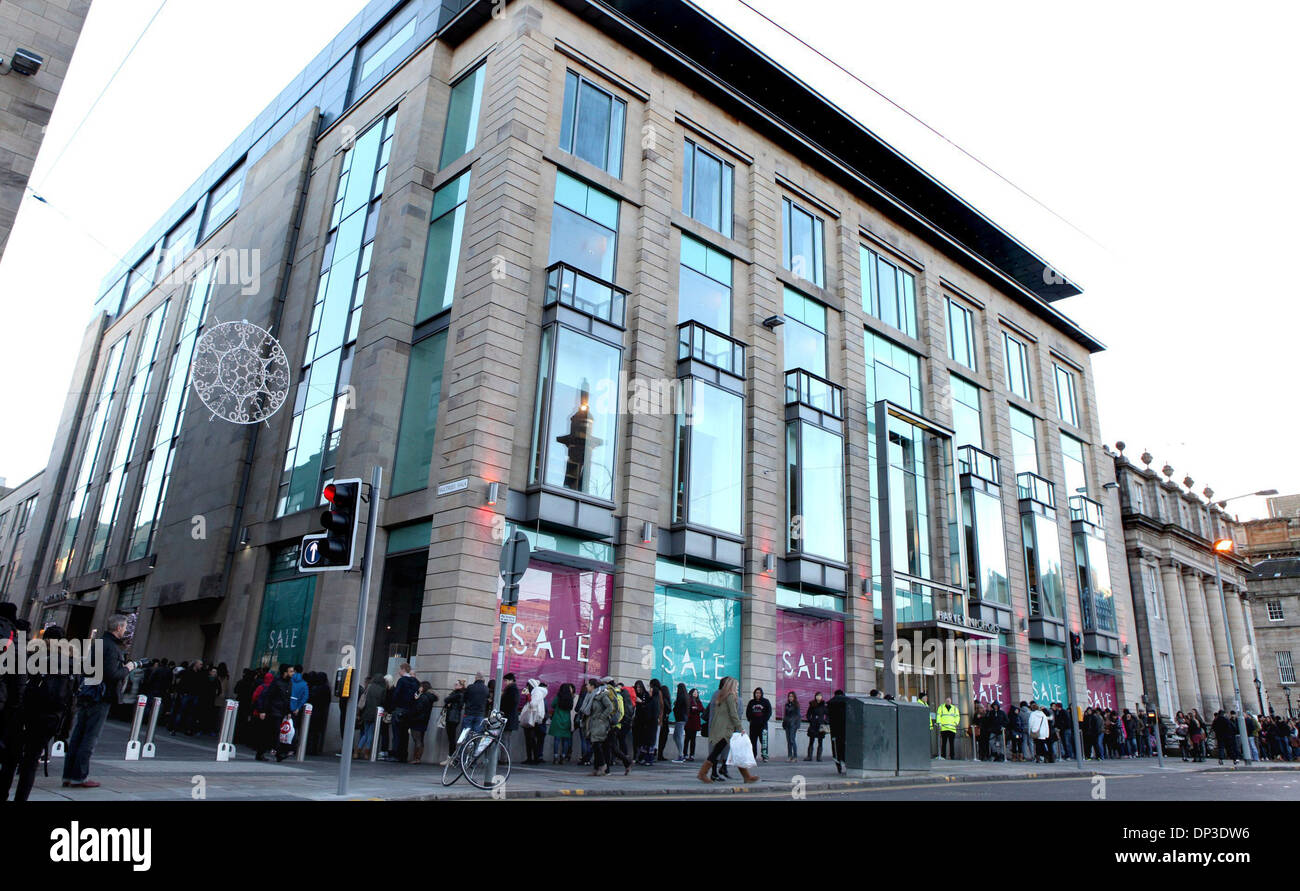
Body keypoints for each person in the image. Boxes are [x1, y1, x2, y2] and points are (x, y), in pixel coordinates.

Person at [1, 624, 77, 801]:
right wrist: (64, 731)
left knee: (11, 760)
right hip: (50, 719)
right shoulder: (72, 663)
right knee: (31, 762)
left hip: (23, 715)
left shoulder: (31, 656)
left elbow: (17, 686)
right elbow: (72, 700)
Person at [62, 614, 136, 789]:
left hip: (89, 693)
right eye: (124, 627)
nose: (125, 630)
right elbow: (112, 674)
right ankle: (79, 776)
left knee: (79, 735)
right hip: (100, 696)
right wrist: (128, 668)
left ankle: (69, 775)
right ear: (118, 628)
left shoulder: (100, 643)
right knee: (89, 737)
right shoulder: (111, 647)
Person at [698, 677, 757, 784]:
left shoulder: (721, 696)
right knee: (718, 752)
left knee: (733, 751)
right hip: (725, 730)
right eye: (737, 686)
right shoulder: (730, 696)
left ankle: (747, 776)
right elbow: (733, 714)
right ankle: (702, 774)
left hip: (719, 728)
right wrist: (740, 728)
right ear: (732, 686)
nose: (737, 688)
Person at [253, 665, 294, 762]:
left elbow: (287, 699)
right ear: (285, 672)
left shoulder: (289, 683)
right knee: (274, 732)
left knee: (270, 733)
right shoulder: (276, 683)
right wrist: (262, 710)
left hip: (281, 711)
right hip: (273, 711)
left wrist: (288, 711)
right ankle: (278, 753)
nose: (293, 673)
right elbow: (268, 696)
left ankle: (261, 752)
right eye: (291, 671)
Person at [356, 673, 387, 760]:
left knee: (365, 733)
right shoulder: (382, 689)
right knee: (370, 734)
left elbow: (363, 700)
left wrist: (359, 713)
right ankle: (367, 752)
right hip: (375, 714)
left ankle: (357, 751)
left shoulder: (369, 687)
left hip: (366, 713)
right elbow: (383, 702)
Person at [519, 678, 548, 765]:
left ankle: (534, 758)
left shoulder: (536, 692)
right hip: (530, 719)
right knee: (529, 740)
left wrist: (528, 695)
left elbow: (532, 704)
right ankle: (530, 758)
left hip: (533, 720)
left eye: (527, 686)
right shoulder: (534, 692)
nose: (526, 687)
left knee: (531, 740)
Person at [408, 681, 438, 764]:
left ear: (423, 687)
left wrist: (416, 700)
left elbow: (418, 709)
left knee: (417, 739)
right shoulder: (429, 697)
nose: (419, 688)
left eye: (420, 687)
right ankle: (418, 758)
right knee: (420, 739)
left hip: (417, 720)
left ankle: (416, 758)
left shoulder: (423, 697)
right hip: (424, 720)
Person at [632, 679, 658, 765]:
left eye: (651, 690)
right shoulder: (651, 699)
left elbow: (650, 712)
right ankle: (643, 758)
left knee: (649, 742)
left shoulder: (653, 700)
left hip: (649, 723)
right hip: (646, 723)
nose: (649, 692)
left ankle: (648, 759)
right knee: (645, 742)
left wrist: (641, 703)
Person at [307, 671, 331, 756]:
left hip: (313, 711)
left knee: (311, 731)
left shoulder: (315, 688)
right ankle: (314, 749)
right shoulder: (326, 688)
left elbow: (310, 698)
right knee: (317, 732)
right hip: (321, 712)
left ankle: (309, 748)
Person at [548, 682, 574, 763]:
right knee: (565, 740)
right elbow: (571, 708)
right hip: (566, 720)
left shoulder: (558, 697)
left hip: (557, 719)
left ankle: (555, 756)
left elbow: (552, 705)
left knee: (557, 739)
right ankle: (563, 756)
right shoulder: (570, 698)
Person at [441, 678, 465, 764]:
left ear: (461, 686)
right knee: (451, 738)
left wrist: (449, 702)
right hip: (453, 717)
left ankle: (451, 758)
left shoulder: (458, 694)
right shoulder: (458, 694)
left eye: (456, 684)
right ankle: (451, 757)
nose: (455, 686)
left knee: (451, 738)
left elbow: (446, 699)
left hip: (453, 717)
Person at [745, 687, 772, 762]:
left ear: (761, 694)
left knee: (764, 741)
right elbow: (748, 712)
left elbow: (769, 712)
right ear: (754, 693)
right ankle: (753, 756)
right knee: (753, 741)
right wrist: (750, 719)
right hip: (753, 725)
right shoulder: (751, 702)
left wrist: (764, 720)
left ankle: (765, 756)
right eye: (756, 693)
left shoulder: (765, 702)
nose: (758, 694)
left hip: (763, 725)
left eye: (759, 693)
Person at [827, 689, 848, 774]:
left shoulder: (830, 702)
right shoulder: (847, 701)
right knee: (845, 747)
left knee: (836, 748)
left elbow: (827, 715)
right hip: (845, 729)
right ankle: (847, 764)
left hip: (834, 730)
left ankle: (838, 766)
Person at [461, 673, 488, 739]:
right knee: (477, 735)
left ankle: (465, 748)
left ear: (476, 678)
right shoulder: (486, 689)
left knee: (465, 734)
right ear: (483, 679)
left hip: (469, 713)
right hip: (480, 715)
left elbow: (464, 698)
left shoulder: (470, 687)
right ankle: (474, 748)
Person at [499, 673, 520, 756]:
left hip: (508, 718)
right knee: (506, 739)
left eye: (506, 681)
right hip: (510, 718)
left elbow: (509, 703)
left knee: (505, 739)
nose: (505, 682)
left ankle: (504, 758)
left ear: (511, 680)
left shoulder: (511, 689)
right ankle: (505, 758)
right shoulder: (512, 689)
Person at [804, 692, 828, 761]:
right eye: (817, 696)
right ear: (815, 696)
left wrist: (826, 721)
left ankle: (819, 757)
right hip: (813, 724)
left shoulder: (823, 705)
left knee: (820, 741)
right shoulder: (812, 704)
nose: (818, 697)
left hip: (821, 725)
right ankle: (809, 756)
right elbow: (808, 714)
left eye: (820, 696)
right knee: (811, 740)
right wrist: (810, 720)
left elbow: (828, 714)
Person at [669, 682, 688, 762]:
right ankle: (681, 754)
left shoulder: (681, 697)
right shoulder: (685, 697)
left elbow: (677, 708)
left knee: (678, 736)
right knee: (677, 736)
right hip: (682, 719)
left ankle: (681, 755)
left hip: (680, 719)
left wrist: (675, 705)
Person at [684, 688, 703, 762]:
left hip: (695, 723)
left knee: (693, 740)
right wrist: (695, 709)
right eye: (694, 692)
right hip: (689, 722)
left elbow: (701, 709)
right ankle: (685, 754)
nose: (695, 693)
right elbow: (690, 709)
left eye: (697, 692)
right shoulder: (689, 700)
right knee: (687, 739)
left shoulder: (698, 701)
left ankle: (692, 755)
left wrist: (696, 708)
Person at [781, 691, 801, 762]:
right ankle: (789, 756)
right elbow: (785, 715)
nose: (790, 698)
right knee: (788, 741)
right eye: (789, 696)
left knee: (792, 740)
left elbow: (798, 716)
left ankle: (795, 756)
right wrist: (784, 723)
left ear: (794, 697)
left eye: (792, 696)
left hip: (793, 725)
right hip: (787, 725)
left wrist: (797, 725)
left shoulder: (796, 705)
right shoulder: (787, 705)